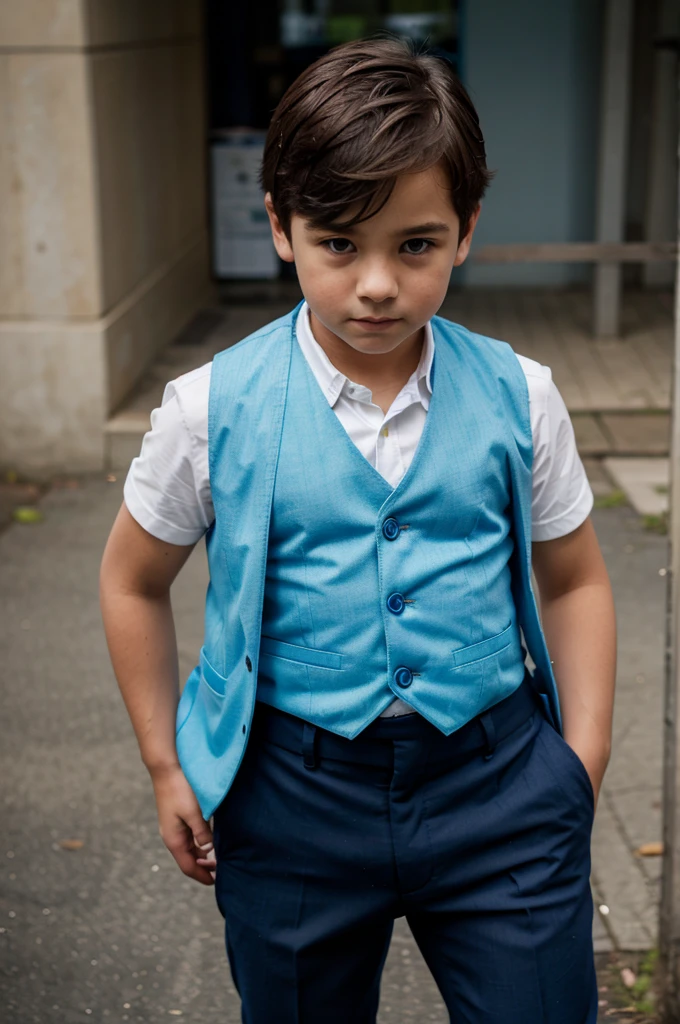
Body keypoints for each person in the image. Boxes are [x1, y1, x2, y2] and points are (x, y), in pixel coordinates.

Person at [100, 37, 616, 1023]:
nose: (375, 283)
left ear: (464, 231)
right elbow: (130, 579)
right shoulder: (210, 408)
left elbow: (575, 577)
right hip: (290, 793)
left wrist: (577, 761)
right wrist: (168, 761)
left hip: (499, 785)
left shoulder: (521, 394)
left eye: (413, 245)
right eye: (339, 243)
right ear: (281, 228)